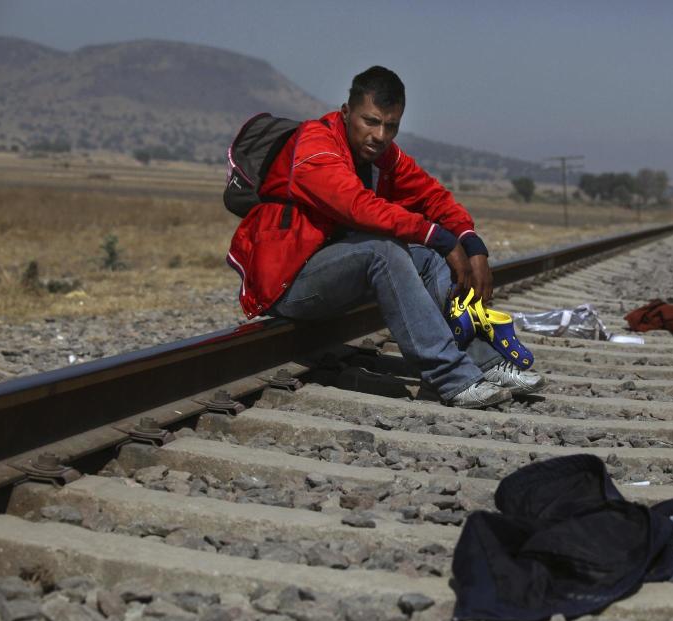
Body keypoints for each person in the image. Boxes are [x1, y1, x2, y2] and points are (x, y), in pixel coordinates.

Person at [227, 66, 544, 408]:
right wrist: (437, 235)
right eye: (371, 121)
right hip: (288, 284)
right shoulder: (314, 147)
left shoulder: (382, 155)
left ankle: (482, 362)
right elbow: (357, 206)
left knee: (428, 258)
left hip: (334, 271)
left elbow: (432, 196)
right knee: (384, 251)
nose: (379, 135)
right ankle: (452, 379)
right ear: (346, 113)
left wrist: (470, 241)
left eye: (390, 126)